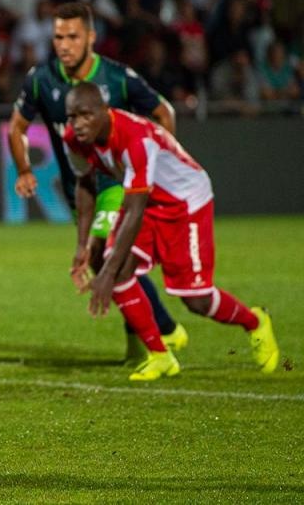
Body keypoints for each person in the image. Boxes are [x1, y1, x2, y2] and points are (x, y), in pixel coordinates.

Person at [8, 1, 187, 366]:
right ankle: (148, 337)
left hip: (117, 185)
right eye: (58, 37)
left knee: (108, 253)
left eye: (73, 37)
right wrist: (24, 169)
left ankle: (163, 333)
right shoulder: (41, 79)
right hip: (82, 189)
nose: (64, 45)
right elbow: (17, 127)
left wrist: (156, 168)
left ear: (90, 37)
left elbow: (163, 113)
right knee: (102, 258)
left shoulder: (117, 78)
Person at [62, 83, 280, 380]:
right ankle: (160, 355)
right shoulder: (73, 139)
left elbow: (135, 211)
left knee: (196, 301)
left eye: (85, 115)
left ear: (104, 110)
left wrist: (107, 274)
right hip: (146, 200)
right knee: (118, 268)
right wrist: (82, 246)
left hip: (185, 203)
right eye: (72, 116)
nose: (78, 124)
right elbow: (85, 184)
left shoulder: (136, 138)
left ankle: (255, 322)